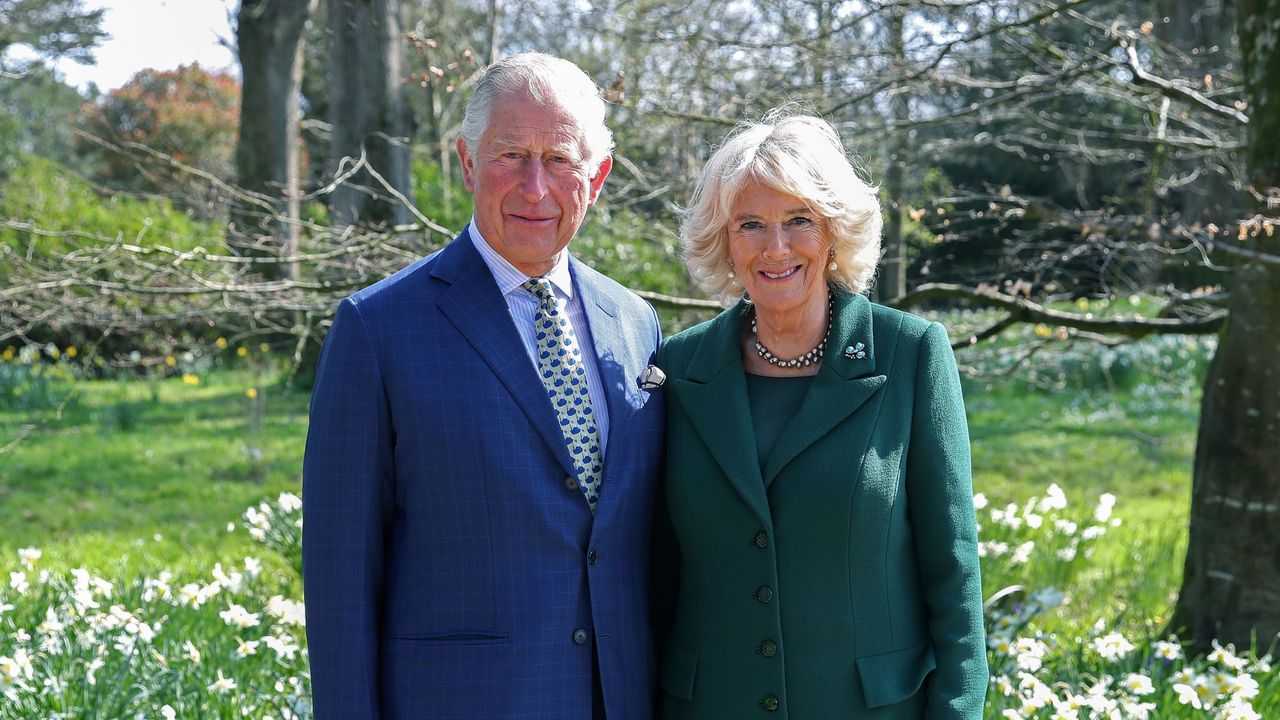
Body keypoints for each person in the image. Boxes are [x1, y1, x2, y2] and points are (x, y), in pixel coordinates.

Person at [303, 52, 665, 720]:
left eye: (559, 159)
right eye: (510, 155)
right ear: (468, 162)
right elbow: (339, 582)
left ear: (598, 177)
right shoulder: (378, 329)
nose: (534, 187)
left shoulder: (636, 324)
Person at [653, 112, 987, 718]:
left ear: (834, 231)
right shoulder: (678, 370)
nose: (775, 247)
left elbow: (953, 569)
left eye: (799, 220)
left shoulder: (909, 354)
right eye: (751, 224)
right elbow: (655, 569)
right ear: (724, 239)